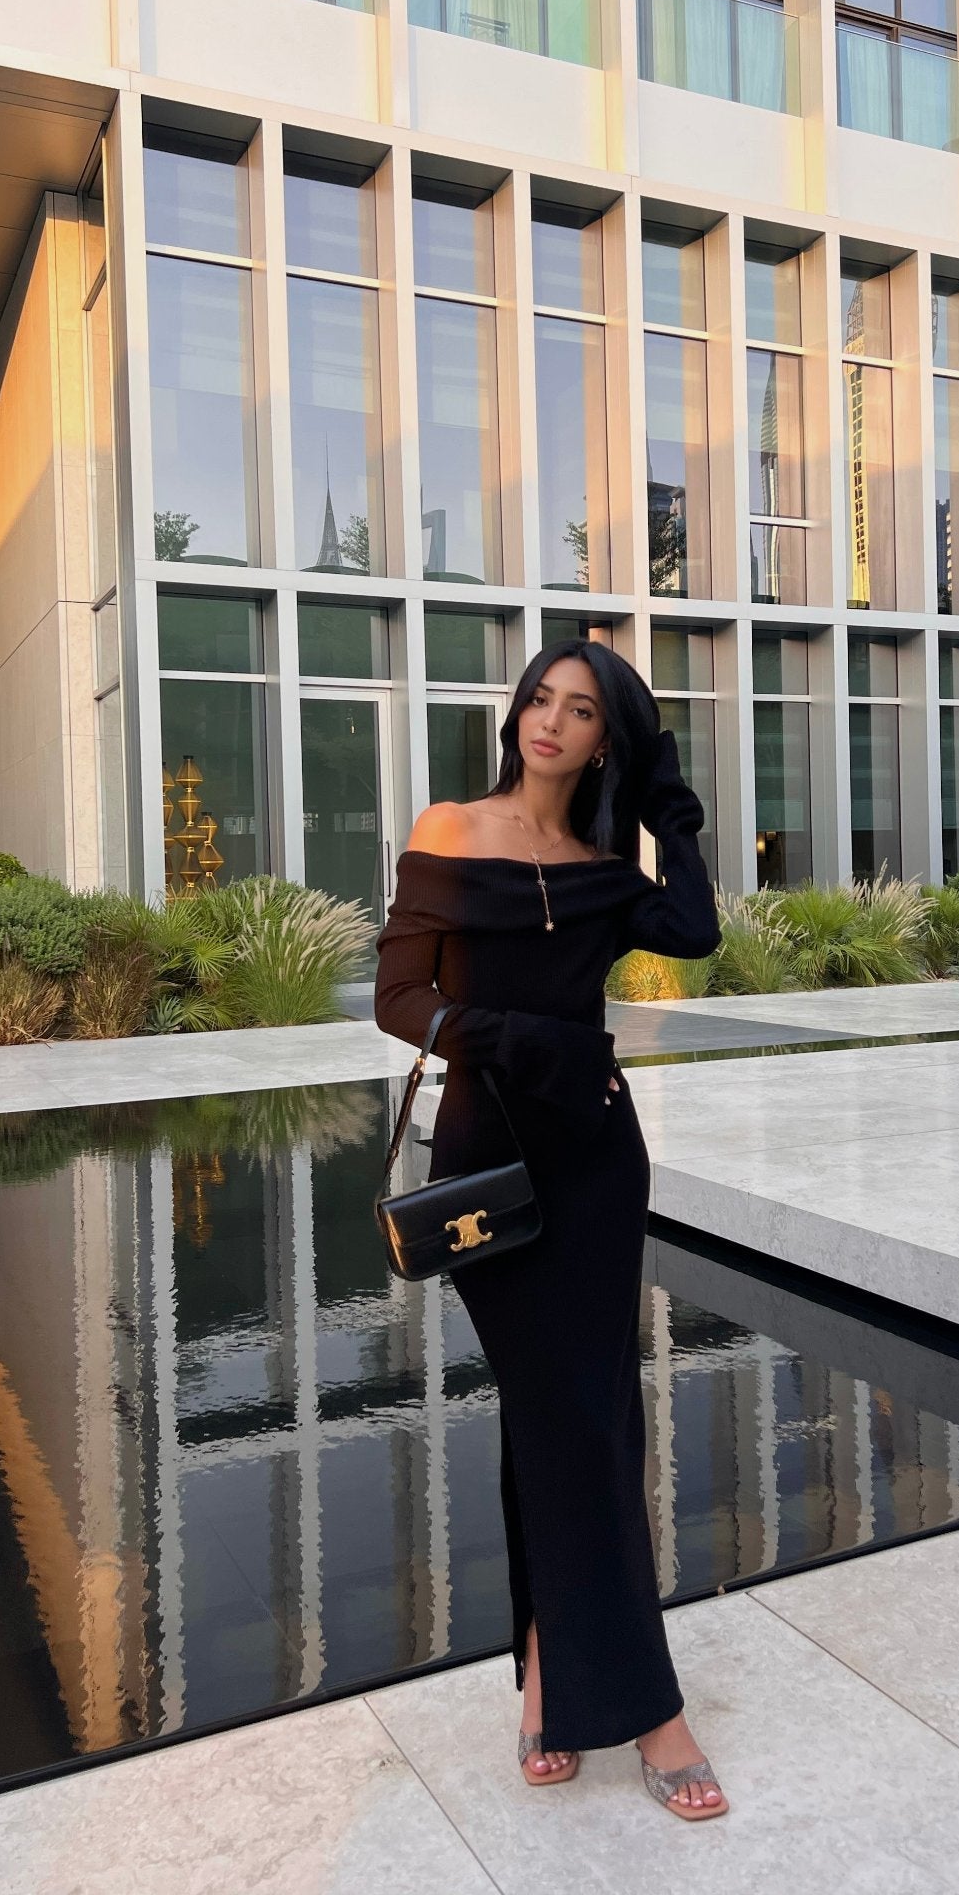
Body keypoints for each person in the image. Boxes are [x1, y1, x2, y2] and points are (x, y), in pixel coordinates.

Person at [373, 639, 727, 1822]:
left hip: (596, 1166)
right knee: (567, 1412)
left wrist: (668, 793)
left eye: (582, 711)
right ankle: (643, 1701)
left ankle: (551, 1670)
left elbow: (695, 926)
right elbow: (398, 995)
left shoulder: (603, 867)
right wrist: (518, 1039)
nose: (551, 721)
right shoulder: (450, 826)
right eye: (541, 698)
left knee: (582, 1416)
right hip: (489, 1164)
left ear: (603, 740)